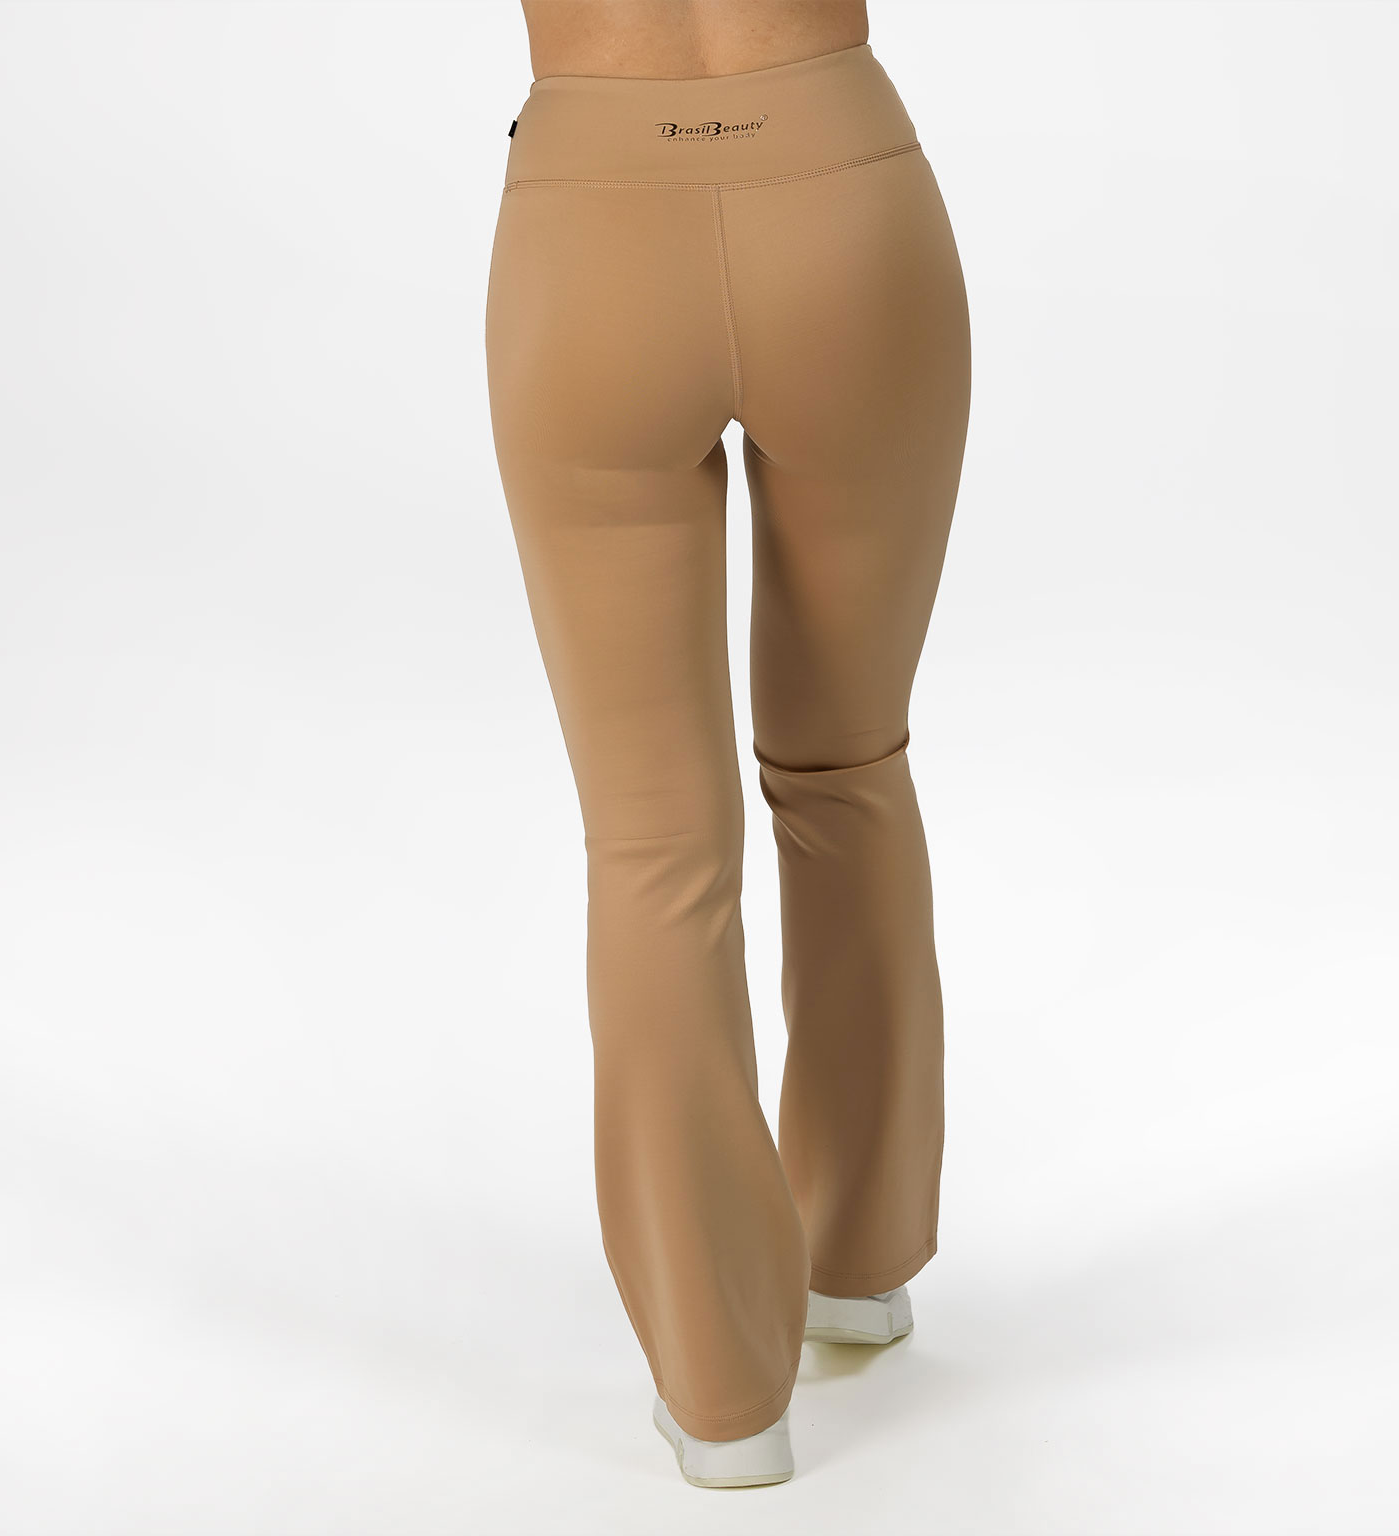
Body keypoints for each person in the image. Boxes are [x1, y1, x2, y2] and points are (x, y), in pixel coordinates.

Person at [486, 0, 970, 1488]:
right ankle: (858, 1268)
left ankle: (721, 1401)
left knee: (653, 842)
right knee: (847, 767)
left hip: (590, 218)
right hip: (842, 188)